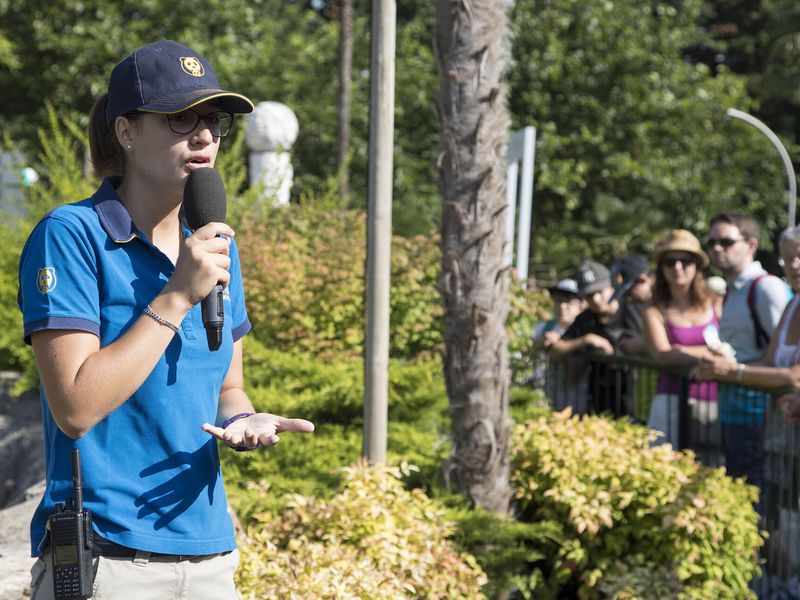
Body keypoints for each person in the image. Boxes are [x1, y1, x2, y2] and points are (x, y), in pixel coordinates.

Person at [18, 40, 315, 600]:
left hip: (208, 556)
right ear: (126, 132)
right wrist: (178, 294)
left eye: (214, 120)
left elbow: (229, 386)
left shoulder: (215, 245)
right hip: (108, 560)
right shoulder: (71, 236)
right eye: (181, 118)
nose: (204, 135)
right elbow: (75, 408)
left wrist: (245, 421)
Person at [699, 211, 791, 512]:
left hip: (765, 416)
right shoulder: (734, 289)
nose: (716, 248)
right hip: (736, 410)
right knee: (743, 498)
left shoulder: (766, 288)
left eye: (726, 241)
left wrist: (735, 370)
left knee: (761, 503)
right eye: (711, 242)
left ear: (751, 244)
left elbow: (784, 359)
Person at [642, 230, 721, 458]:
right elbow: (663, 355)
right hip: (670, 400)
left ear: (696, 265)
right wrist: (711, 353)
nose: (678, 267)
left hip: (713, 400)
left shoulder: (715, 302)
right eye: (670, 261)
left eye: (685, 261)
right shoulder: (653, 309)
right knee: (662, 468)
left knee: (710, 470)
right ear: (661, 268)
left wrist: (682, 351)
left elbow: (731, 349)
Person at [550, 260, 643, 416]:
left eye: (600, 292)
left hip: (637, 397)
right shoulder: (585, 319)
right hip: (600, 401)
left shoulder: (634, 311)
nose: (596, 299)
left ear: (612, 287)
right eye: (590, 295)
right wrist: (587, 339)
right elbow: (556, 350)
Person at [532, 278, 583, 349]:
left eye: (568, 301)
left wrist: (560, 344)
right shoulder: (541, 328)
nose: (562, 306)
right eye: (558, 301)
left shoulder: (584, 331)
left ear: (580, 306)